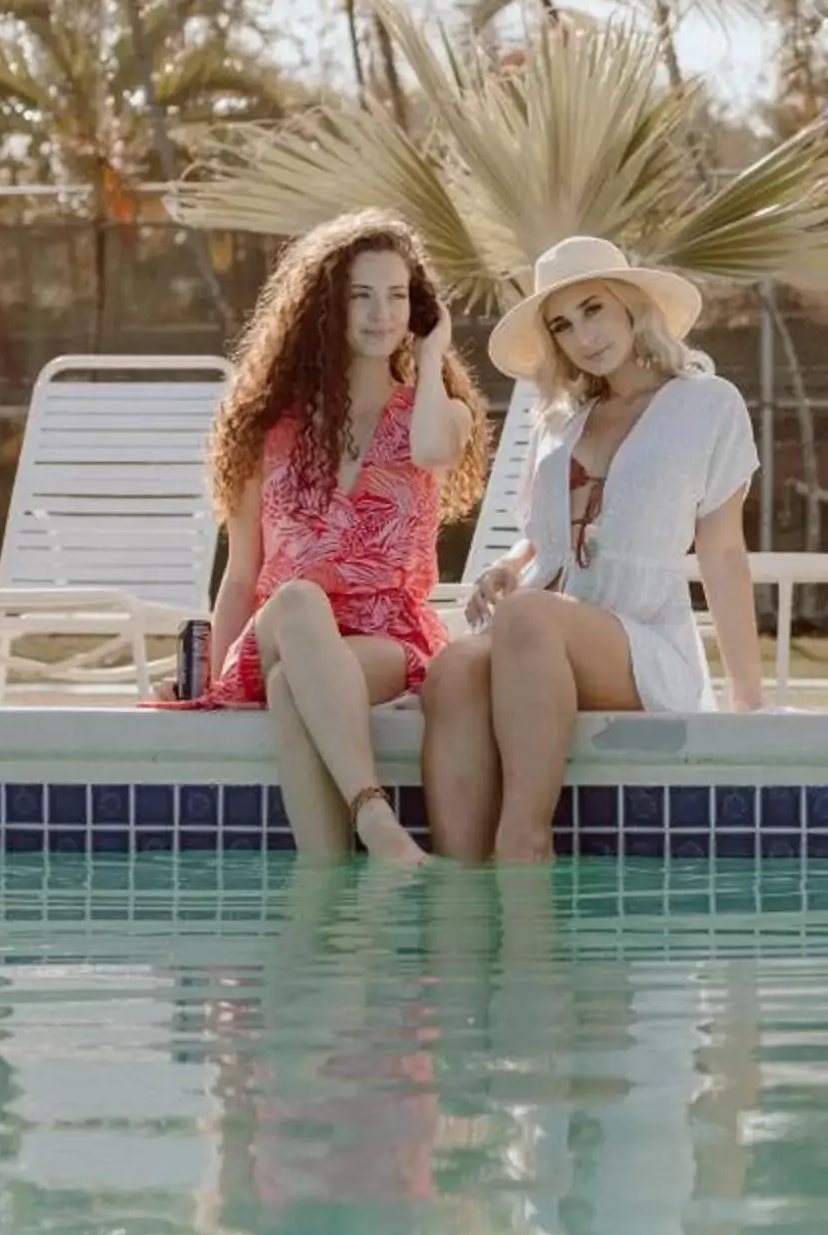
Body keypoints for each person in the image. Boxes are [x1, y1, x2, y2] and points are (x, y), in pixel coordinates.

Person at [394, 235, 763, 866]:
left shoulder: (707, 403)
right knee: (452, 671)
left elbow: (723, 551)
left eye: (593, 308)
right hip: (536, 634)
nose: (583, 335)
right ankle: (461, 894)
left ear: (629, 304)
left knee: (528, 619)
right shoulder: (559, 421)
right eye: (563, 325)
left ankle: (524, 840)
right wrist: (507, 568)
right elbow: (543, 536)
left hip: (640, 644)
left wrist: (749, 696)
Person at [182, 209, 488, 859]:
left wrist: (432, 355)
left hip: (387, 638)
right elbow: (241, 574)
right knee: (296, 603)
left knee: (300, 686)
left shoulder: (437, 415)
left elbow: (434, 450)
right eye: (360, 295)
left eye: (398, 296)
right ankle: (374, 816)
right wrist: (210, 685)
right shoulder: (266, 429)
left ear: (418, 310)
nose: (381, 314)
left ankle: (333, 895)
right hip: (278, 630)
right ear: (325, 308)